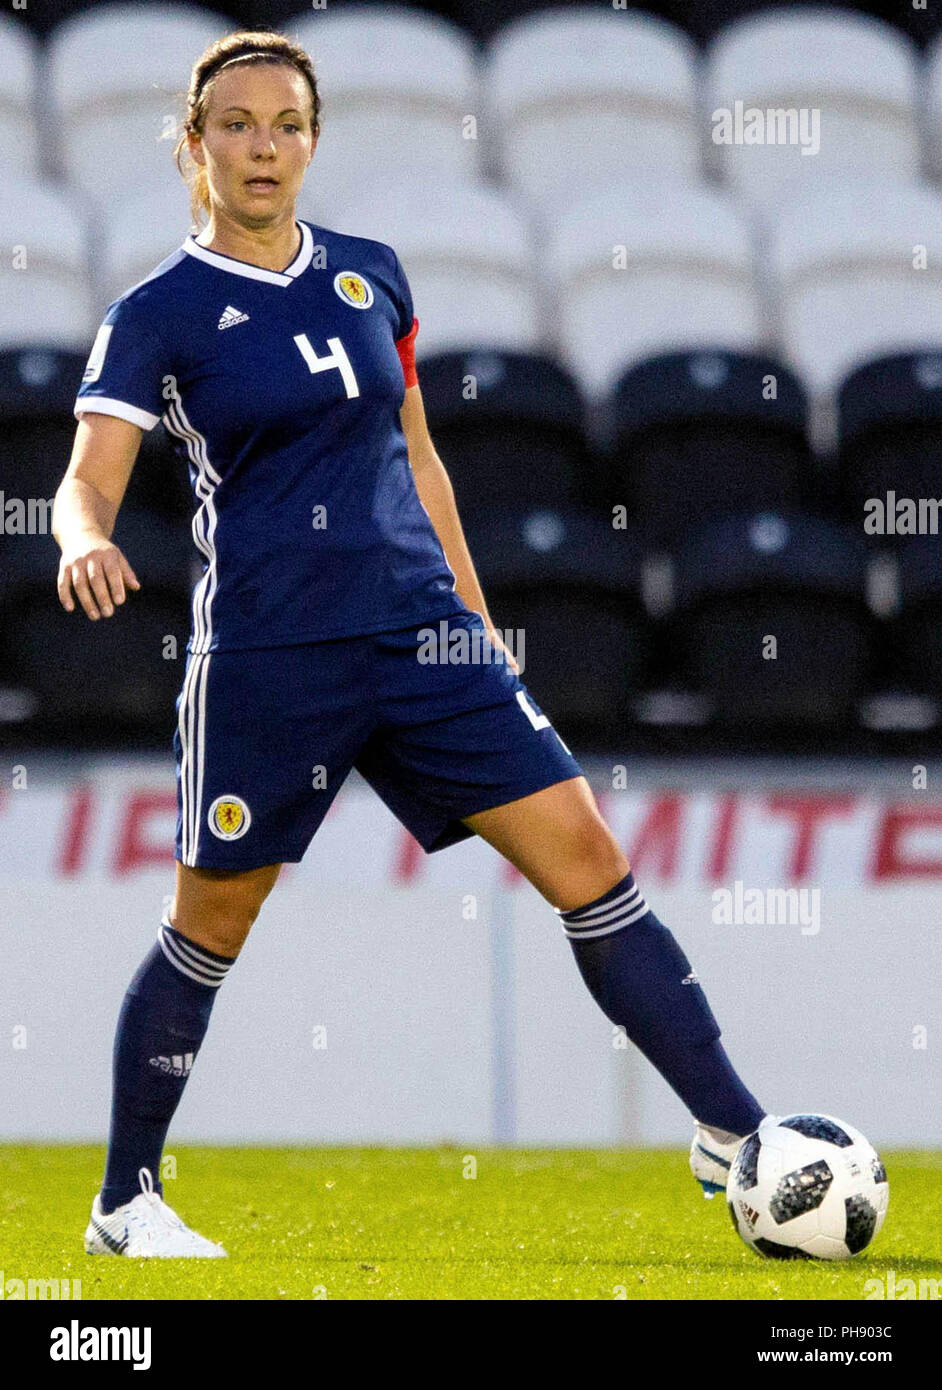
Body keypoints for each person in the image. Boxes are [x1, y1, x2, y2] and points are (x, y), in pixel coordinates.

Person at [53, 30, 766, 1259]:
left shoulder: (372, 275)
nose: (262, 145)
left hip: (426, 637)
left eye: (286, 122)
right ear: (193, 143)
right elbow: (83, 481)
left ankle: (742, 1135)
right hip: (273, 658)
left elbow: (421, 459)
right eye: (235, 123)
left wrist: (478, 624)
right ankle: (126, 1200)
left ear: (314, 141)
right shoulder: (156, 314)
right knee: (210, 925)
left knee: (590, 857)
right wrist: (80, 540)